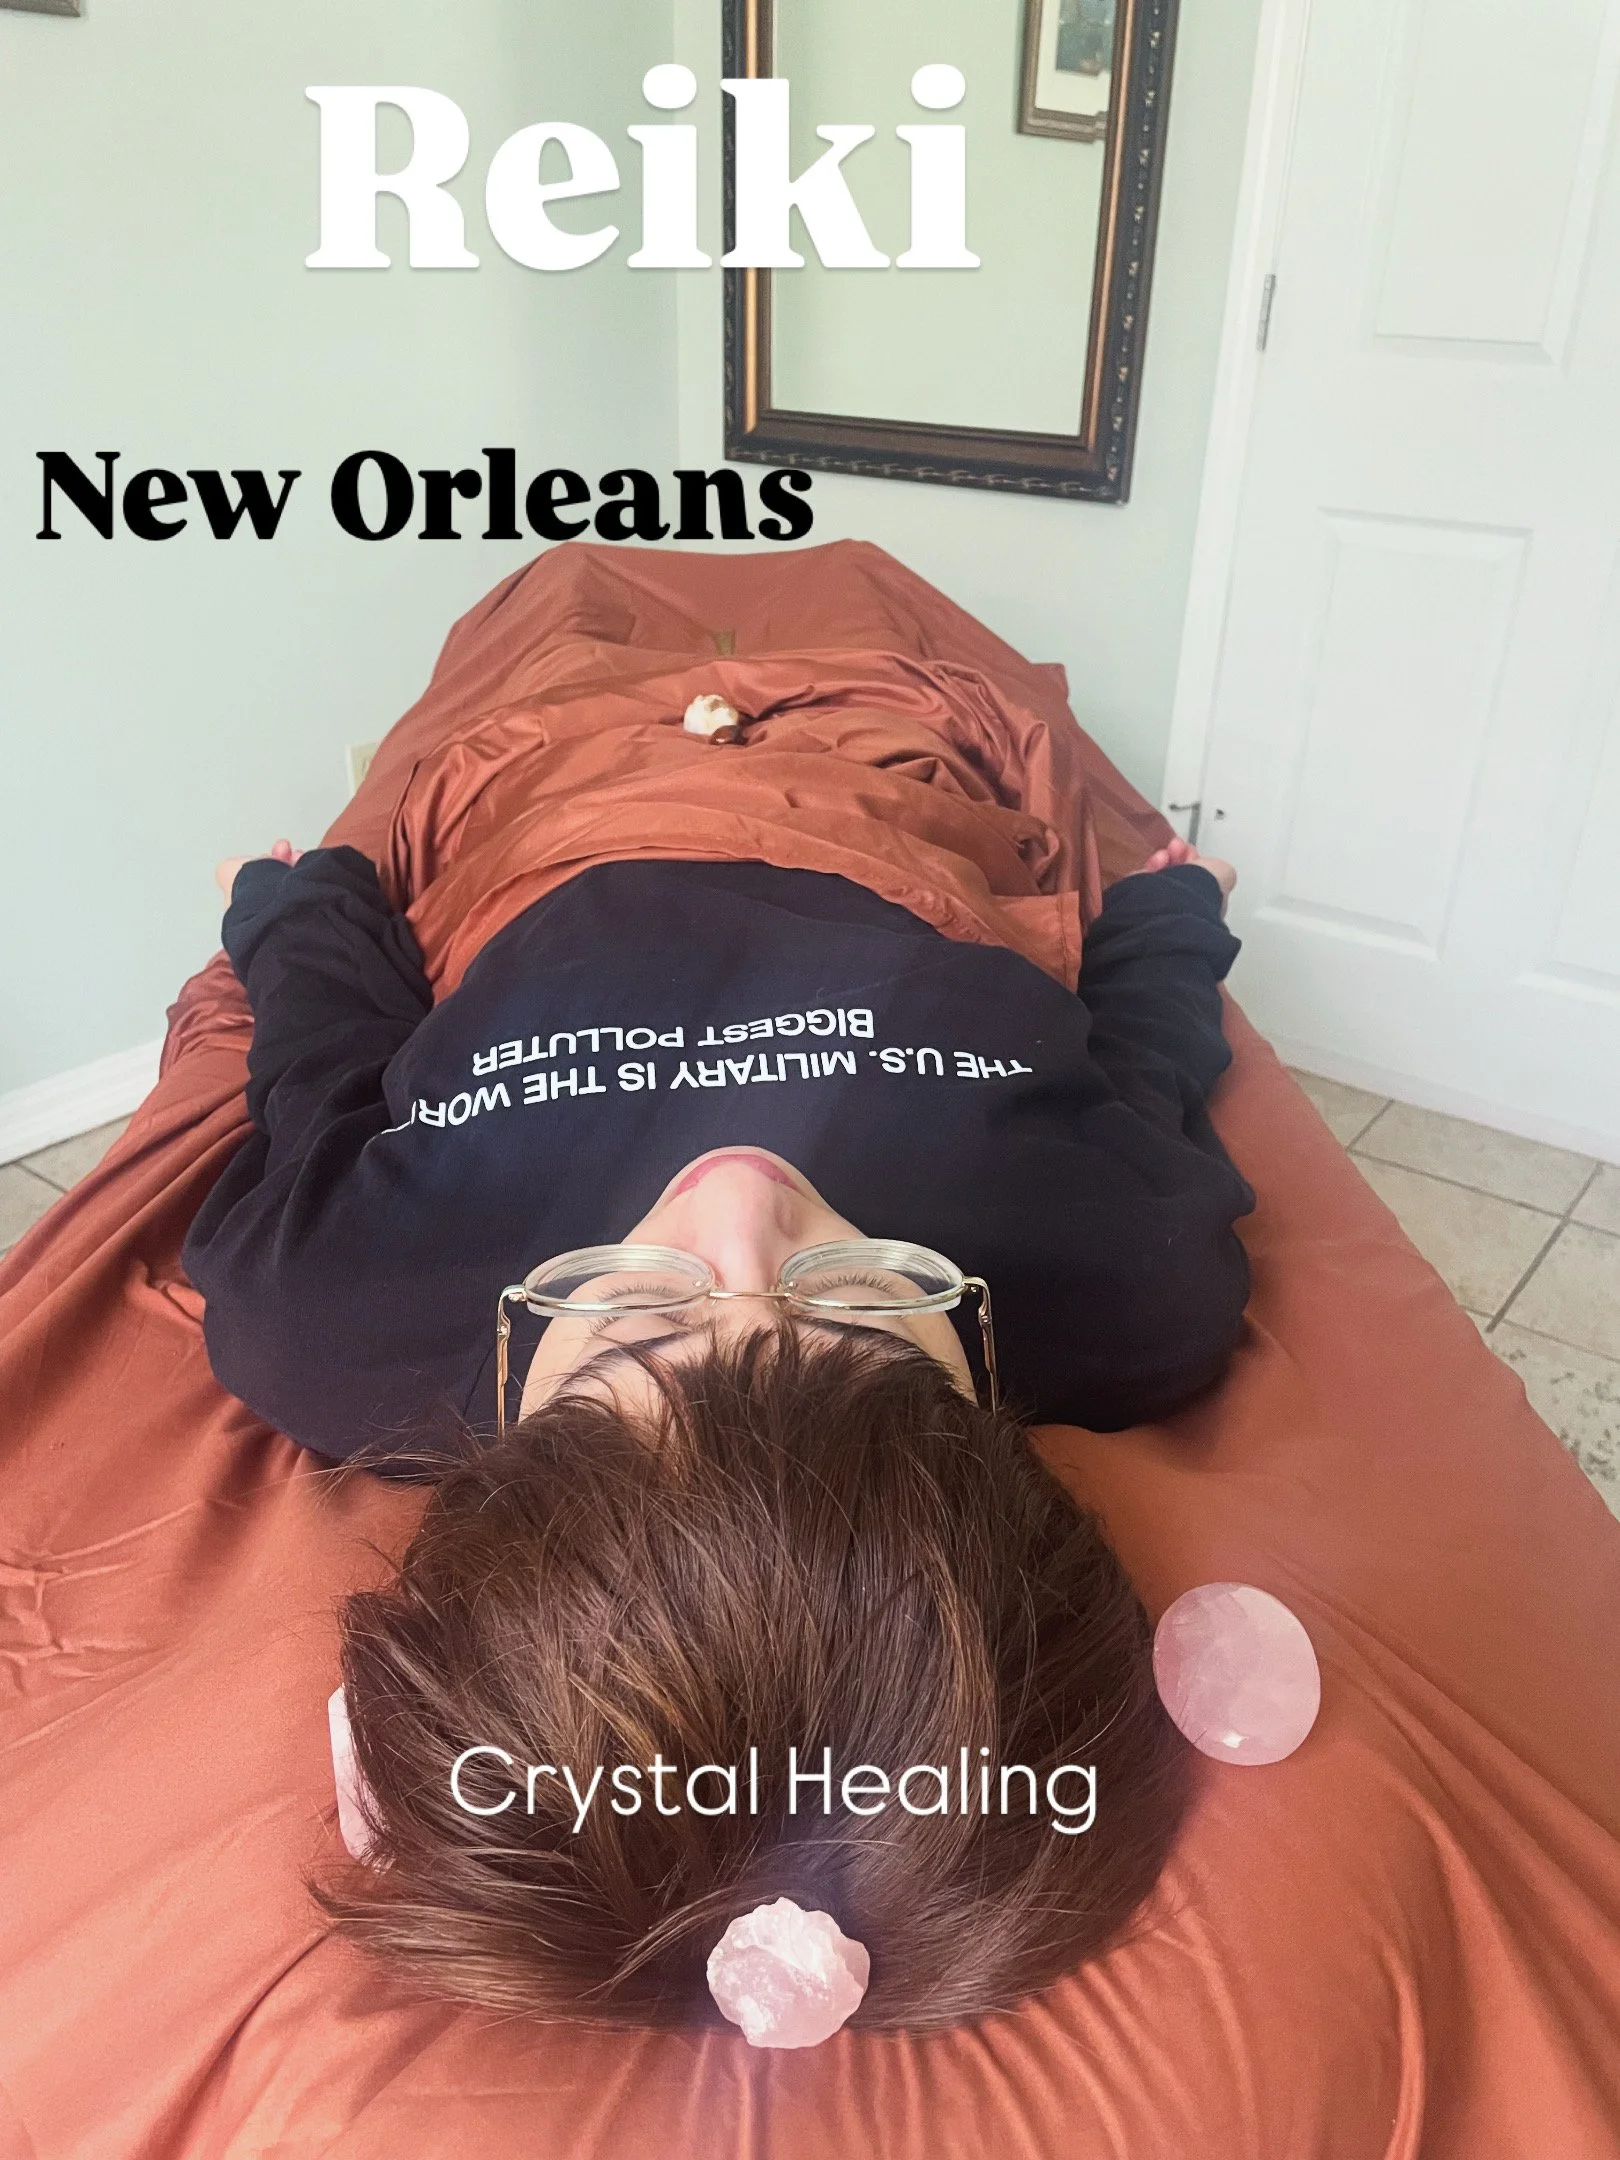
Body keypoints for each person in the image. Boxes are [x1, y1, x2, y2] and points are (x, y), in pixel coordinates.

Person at [183, 823, 1252, 2036]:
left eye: (633, 1327)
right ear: (996, 1419)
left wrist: (288, 899)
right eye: (862, 1306)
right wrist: (1171, 916)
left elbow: (326, 1063)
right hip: (877, 835)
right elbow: (1149, 1069)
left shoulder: (331, 1308)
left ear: (503, 1440)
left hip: (579, 837)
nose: (740, 1198)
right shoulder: (1134, 1279)